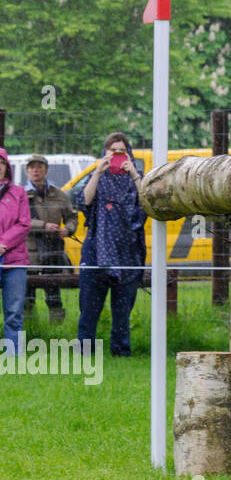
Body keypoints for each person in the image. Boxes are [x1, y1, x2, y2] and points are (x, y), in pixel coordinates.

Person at [75, 133, 146, 357]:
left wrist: (134, 173)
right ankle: (85, 352)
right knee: (89, 308)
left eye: (121, 150)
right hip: (97, 250)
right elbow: (84, 201)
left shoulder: (136, 178)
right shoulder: (98, 175)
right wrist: (98, 171)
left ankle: (121, 351)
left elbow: (148, 203)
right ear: (105, 152)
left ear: (129, 152)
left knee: (122, 309)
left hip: (128, 252)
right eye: (112, 150)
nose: (116, 154)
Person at [24, 154, 76, 322]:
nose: (35, 170)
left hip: (53, 249)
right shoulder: (21, 195)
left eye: (39, 166)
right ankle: (28, 329)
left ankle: (56, 330)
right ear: (27, 171)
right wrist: (43, 225)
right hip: (29, 250)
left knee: (53, 292)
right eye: (32, 167)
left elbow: (71, 217)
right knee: (27, 293)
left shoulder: (59, 194)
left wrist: (67, 230)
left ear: (46, 170)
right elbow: (20, 220)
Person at [0, 147, 32, 353]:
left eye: (0, 163)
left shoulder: (19, 193)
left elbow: (24, 223)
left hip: (14, 261)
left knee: (13, 312)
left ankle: (12, 356)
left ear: (6, 167)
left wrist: (2, 244)